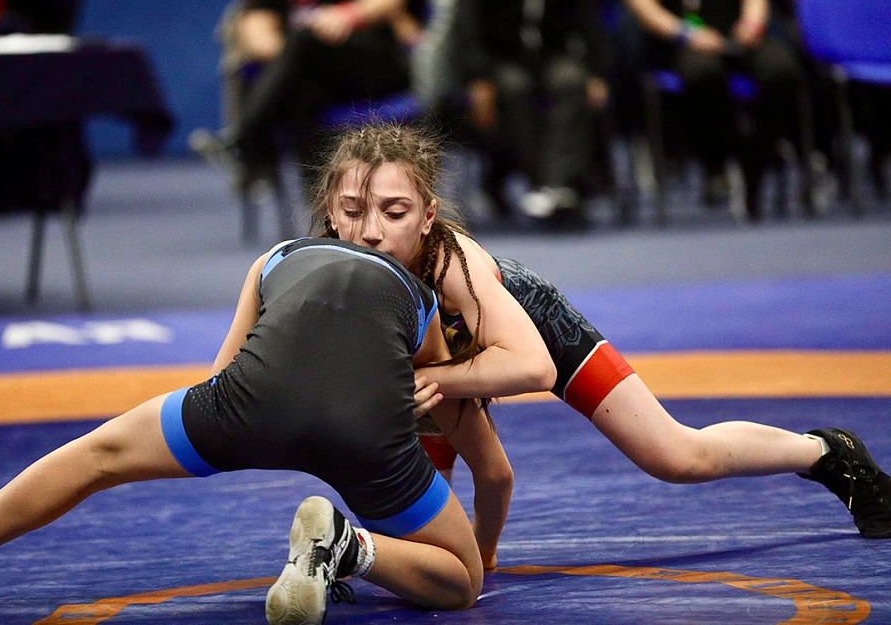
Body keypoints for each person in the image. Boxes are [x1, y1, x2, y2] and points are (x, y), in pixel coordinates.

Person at [308, 121, 891, 541]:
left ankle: (825, 452)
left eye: (395, 212)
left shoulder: (449, 262)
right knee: (415, 503)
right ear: (330, 212)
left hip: (532, 330)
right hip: (435, 364)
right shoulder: (313, 269)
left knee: (676, 456)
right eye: (354, 211)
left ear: (428, 215)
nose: (371, 232)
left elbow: (531, 366)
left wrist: (432, 378)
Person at [0, 237, 503, 623]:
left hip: (245, 405)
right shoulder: (425, 294)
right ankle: (347, 546)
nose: (371, 231)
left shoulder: (279, 256)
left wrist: (232, 427)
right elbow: (473, 436)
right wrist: (474, 537)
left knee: (96, 455)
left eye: (387, 215)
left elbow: (220, 376)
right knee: (462, 580)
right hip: (365, 433)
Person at [189, 0, 412, 198]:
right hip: (309, 74)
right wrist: (293, 56)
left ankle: (245, 143)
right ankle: (320, 205)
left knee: (302, 40)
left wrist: (347, 14)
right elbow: (256, 26)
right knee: (302, 89)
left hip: (371, 62)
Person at [622, 0, 813, 218]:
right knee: (703, 74)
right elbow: (644, 7)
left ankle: (760, 152)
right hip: (682, 44)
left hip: (738, 36)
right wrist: (686, 34)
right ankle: (717, 160)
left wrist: (752, 23)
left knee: (782, 70)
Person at [451, 0, 612, 225]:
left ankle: (556, 187)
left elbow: (588, 15)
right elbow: (468, 20)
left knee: (572, 82)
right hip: (498, 58)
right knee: (515, 88)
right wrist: (477, 77)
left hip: (553, 53)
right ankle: (543, 184)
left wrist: (597, 72)